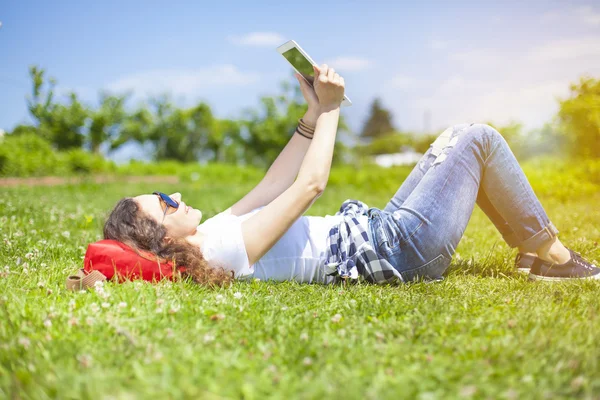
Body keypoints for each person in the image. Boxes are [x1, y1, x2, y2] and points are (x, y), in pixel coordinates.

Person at [103, 64, 599, 286]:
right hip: (396, 251)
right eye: (166, 203)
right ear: (162, 241)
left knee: (459, 142)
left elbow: (273, 185)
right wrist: (336, 110)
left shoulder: (210, 236)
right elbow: (308, 187)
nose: (177, 195)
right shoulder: (219, 253)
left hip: (380, 234)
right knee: (477, 138)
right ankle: (552, 257)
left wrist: (313, 113)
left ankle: (536, 256)